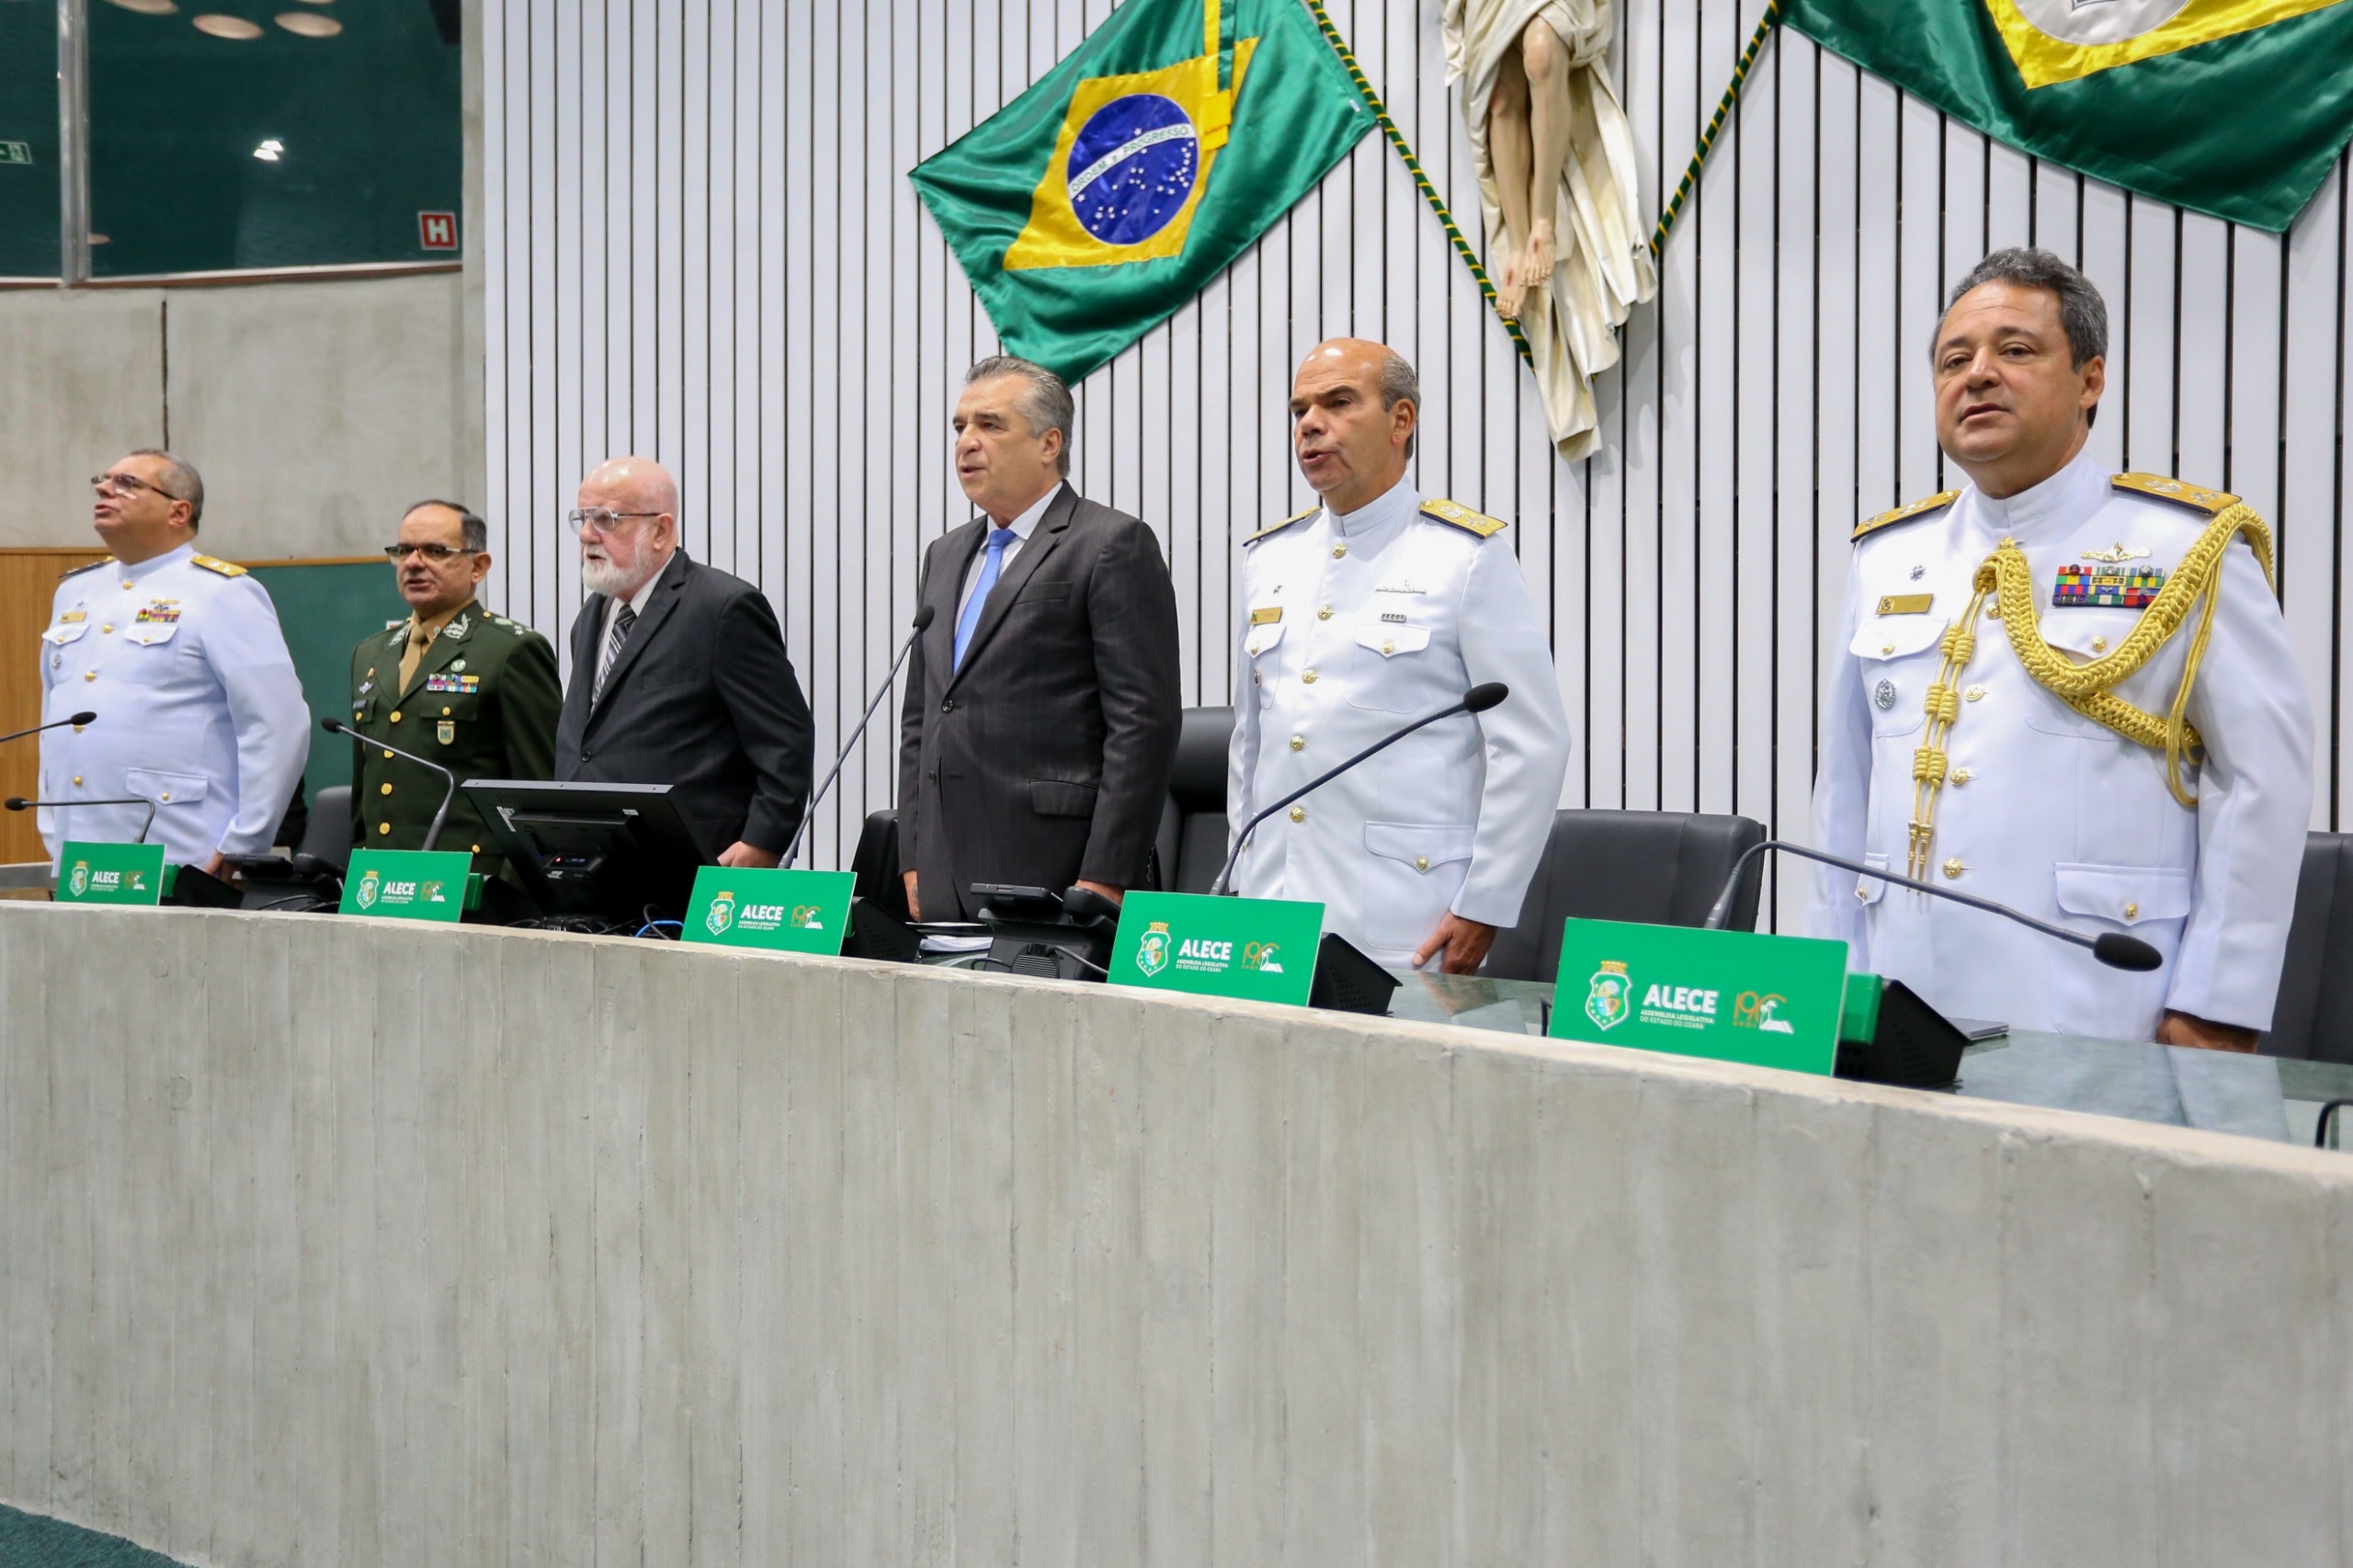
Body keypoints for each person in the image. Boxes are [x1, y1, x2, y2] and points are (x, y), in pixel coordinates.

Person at [1807, 247, 2313, 1051]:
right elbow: (1845, 786)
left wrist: (2217, 1006)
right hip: (1899, 994)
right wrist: (1824, 977)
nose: (1976, 375)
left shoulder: (2185, 546)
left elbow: (2261, 781)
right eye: (1954, 359)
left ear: (2090, 380)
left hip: (2101, 1009)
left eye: (2014, 351)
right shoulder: (1886, 558)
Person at [1227, 339, 1572, 974]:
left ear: (1401, 421)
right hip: (1272, 913)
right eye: (1300, 409)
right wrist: (1238, 879)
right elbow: (1252, 742)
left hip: (1404, 918)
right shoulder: (1269, 559)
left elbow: (1531, 743)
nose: (1310, 424)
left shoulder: (1463, 556)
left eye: (1338, 402)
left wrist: (1485, 903)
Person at [896, 356, 1182, 921]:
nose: (967, 443)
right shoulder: (947, 554)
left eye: (990, 425)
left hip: (1056, 867)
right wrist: (912, 854)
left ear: (1050, 444)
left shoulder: (1110, 543)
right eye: (960, 427)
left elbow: (1142, 724)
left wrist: (1105, 875)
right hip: (942, 868)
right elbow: (923, 716)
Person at [37, 450, 308, 876]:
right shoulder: (76, 592)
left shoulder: (223, 592)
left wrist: (246, 840)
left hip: (180, 845)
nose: (105, 489)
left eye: (127, 483)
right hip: (80, 851)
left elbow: (276, 724)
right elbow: (54, 719)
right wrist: (52, 828)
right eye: (104, 481)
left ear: (178, 512)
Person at [553, 456, 813, 865]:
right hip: (597, 861)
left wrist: (762, 843)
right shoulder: (592, 616)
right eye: (582, 518)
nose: (587, 534)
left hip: (696, 866)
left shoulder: (723, 608)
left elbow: (785, 742)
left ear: (660, 530)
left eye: (605, 519)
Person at [343, 499, 561, 865]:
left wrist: (511, 890)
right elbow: (365, 790)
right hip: (380, 881)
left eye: (435, 551)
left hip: (472, 888)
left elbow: (541, 792)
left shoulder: (510, 650)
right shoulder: (370, 655)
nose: (413, 562)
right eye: (404, 551)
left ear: (478, 566)